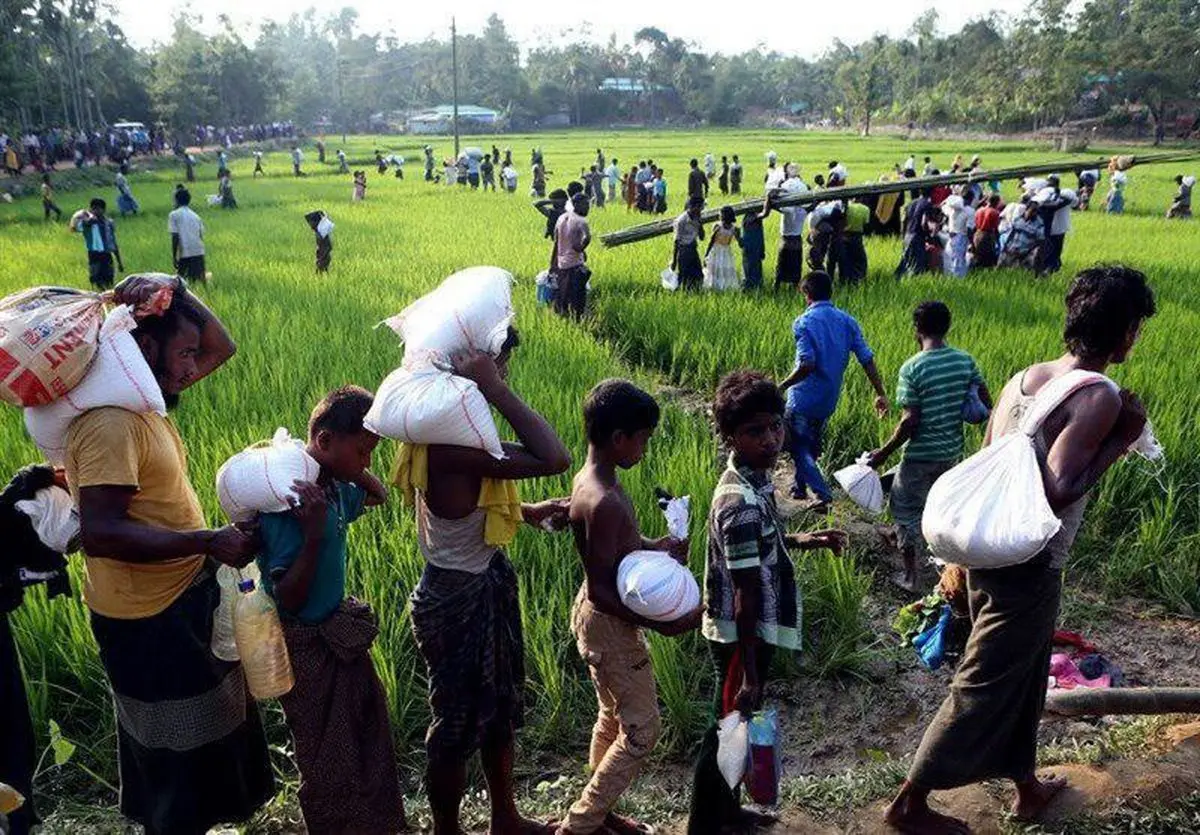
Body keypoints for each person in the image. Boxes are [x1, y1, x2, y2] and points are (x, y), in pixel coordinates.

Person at [884, 265, 1156, 835]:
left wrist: (959, 562)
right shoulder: (1098, 395)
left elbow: (987, 457)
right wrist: (1121, 441)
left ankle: (1026, 786)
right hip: (1027, 568)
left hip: (989, 557)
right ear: (1127, 331)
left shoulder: (1025, 379)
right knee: (983, 682)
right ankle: (909, 802)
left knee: (1027, 674)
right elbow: (1056, 492)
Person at [65, 276, 275, 835]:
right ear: (143, 344)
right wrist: (207, 540)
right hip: (148, 621)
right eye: (181, 352)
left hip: (179, 601)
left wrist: (174, 288)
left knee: (203, 745)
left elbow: (220, 347)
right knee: (173, 767)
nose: (192, 365)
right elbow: (103, 532)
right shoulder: (110, 422)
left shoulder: (142, 402)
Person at [397, 332, 571, 835]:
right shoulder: (452, 445)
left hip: (483, 577)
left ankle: (505, 819)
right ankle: (447, 831)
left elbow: (470, 502)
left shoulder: (456, 437)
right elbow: (553, 456)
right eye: (501, 365)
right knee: (452, 728)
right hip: (457, 595)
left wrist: (528, 512)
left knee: (498, 712)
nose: (506, 373)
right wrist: (495, 390)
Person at [688, 371, 846, 834]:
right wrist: (751, 673)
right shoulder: (738, 503)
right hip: (743, 634)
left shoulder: (756, 481)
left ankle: (728, 812)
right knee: (725, 728)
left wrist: (806, 538)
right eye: (755, 431)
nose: (771, 439)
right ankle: (705, 823)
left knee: (735, 724)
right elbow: (744, 594)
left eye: (775, 426)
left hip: (751, 631)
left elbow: (766, 542)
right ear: (730, 435)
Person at [256, 386, 406, 834]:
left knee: (365, 730)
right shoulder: (291, 507)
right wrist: (315, 533)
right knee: (325, 752)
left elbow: (378, 494)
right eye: (362, 451)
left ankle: (373, 824)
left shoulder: (335, 490)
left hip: (336, 633)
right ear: (324, 442)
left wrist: (355, 468)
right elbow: (290, 598)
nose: (367, 462)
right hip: (304, 645)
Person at [558, 380, 701, 835]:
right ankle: (580, 824)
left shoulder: (594, 481)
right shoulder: (605, 501)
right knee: (642, 730)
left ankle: (601, 815)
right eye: (643, 439)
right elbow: (604, 589)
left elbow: (618, 550)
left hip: (595, 617)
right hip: (608, 624)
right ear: (620, 437)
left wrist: (656, 548)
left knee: (611, 714)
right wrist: (665, 624)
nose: (644, 448)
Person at [867, 302, 990, 592]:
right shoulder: (965, 360)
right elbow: (987, 402)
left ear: (917, 330)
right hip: (952, 453)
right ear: (947, 327)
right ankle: (943, 565)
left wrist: (882, 453)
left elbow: (910, 421)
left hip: (921, 454)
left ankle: (911, 577)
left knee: (905, 506)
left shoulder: (913, 367)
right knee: (939, 505)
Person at [778, 271, 888, 510]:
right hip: (829, 398)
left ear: (806, 294)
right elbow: (866, 358)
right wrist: (880, 392)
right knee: (810, 444)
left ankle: (822, 494)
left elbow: (807, 363)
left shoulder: (803, 323)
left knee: (799, 447)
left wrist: (782, 386)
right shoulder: (848, 321)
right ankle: (799, 487)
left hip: (803, 398)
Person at [763, 165, 808, 290]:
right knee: (795, 266)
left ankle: (776, 287)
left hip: (786, 240)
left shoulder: (787, 207)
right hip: (797, 240)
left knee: (781, 266)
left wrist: (769, 201)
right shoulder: (803, 209)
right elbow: (810, 207)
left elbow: (776, 204)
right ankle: (794, 288)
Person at [552, 193, 592, 318]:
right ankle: (577, 322)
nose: (588, 208)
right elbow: (586, 238)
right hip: (574, 265)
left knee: (563, 296)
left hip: (561, 264)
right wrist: (581, 248)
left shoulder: (562, 217)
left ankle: (563, 318)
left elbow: (556, 237)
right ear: (576, 204)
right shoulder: (581, 221)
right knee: (577, 301)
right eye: (585, 205)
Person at [74, 198, 123, 289]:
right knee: (97, 280)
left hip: (106, 254)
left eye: (98, 209)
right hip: (94, 254)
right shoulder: (87, 223)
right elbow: (83, 223)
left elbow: (113, 242)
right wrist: (89, 216)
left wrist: (119, 262)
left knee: (109, 279)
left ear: (103, 210)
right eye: (93, 209)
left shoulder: (109, 223)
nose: (95, 211)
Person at [168, 187, 206, 283]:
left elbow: (175, 237)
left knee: (181, 281)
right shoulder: (196, 216)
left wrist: (174, 256)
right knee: (199, 279)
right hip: (199, 250)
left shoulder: (173, 215)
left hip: (185, 251)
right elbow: (201, 235)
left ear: (176, 200)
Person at [895, 188, 933, 277]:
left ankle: (898, 280)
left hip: (907, 235)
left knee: (905, 261)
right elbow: (924, 223)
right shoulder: (927, 204)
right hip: (917, 236)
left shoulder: (911, 203)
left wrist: (903, 235)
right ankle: (914, 282)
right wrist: (929, 235)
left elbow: (903, 220)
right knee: (917, 264)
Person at [999, 201, 1047, 273]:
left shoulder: (1039, 223)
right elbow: (1012, 232)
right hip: (1011, 248)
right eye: (1032, 211)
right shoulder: (1019, 218)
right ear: (1026, 209)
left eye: (1035, 212)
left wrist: (1024, 227)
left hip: (1025, 252)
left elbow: (1040, 236)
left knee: (1019, 273)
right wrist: (1005, 245)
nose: (1033, 213)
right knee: (1001, 269)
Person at [671, 197, 706, 292]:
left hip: (693, 249)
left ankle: (695, 294)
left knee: (698, 275)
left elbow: (702, 237)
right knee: (684, 276)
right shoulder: (681, 221)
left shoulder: (697, 218)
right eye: (699, 207)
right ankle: (682, 294)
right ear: (692, 207)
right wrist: (674, 260)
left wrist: (700, 224)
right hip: (684, 250)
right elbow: (676, 241)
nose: (701, 210)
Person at [704, 205, 742, 291]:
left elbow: (739, 242)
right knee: (715, 268)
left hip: (725, 251)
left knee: (723, 268)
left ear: (724, 216)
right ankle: (714, 285)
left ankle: (723, 286)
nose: (719, 216)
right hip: (716, 250)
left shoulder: (734, 229)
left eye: (720, 214)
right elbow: (711, 241)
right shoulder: (717, 226)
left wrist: (738, 236)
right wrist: (707, 254)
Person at [839, 198, 870, 282]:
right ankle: (860, 279)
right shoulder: (865, 209)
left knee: (846, 259)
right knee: (860, 260)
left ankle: (846, 279)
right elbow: (866, 224)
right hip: (857, 236)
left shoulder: (846, 207)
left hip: (844, 235)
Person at [972, 195, 1002, 268]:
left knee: (978, 254)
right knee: (988, 257)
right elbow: (995, 228)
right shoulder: (995, 212)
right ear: (996, 202)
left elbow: (975, 223)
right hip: (987, 235)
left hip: (977, 234)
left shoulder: (979, 210)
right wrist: (998, 241)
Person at [740, 208, 765, 290]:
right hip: (749, 249)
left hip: (756, 249)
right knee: (748, 269)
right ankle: (748, 287)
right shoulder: (749, 220)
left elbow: (761, 236)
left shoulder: (757, 221)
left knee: (756, 268)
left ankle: (755, 286)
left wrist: (762, 249)